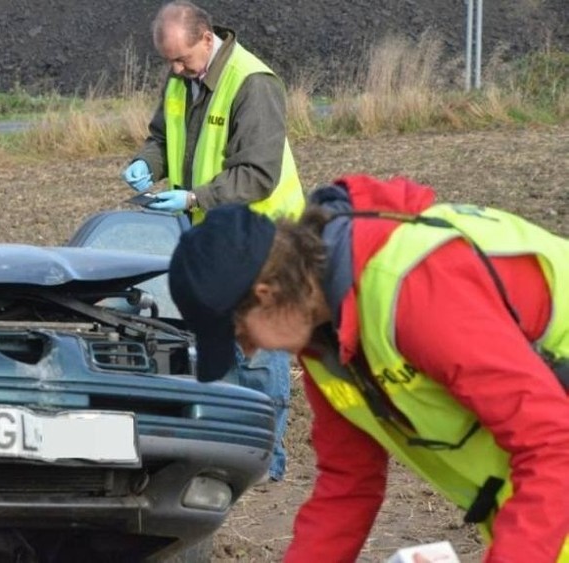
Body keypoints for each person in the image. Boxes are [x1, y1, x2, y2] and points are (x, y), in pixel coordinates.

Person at [167, 174, 569, 562]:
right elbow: (347, 485)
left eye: (241, 335)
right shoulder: (328, 345)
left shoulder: (416, 293)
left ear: (266, 295)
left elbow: (553, 444)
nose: (249, 353)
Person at [120, 0, 305, 482]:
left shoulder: (253, 84)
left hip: (264, 235)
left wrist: (193, 198)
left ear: (207, 38)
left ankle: (266, 463)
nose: (175, 69)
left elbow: (259, 174)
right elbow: (162, 135)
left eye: (181, 59)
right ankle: (226, 451)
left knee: (260, 350)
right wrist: (149, 163)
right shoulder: (182, 77)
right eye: (168, 62)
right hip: (212, 233)